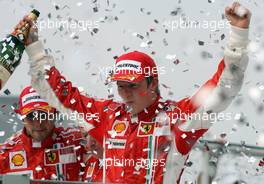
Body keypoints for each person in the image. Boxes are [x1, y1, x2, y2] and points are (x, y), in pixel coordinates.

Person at [22, 2, 251, 183]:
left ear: (153, 84)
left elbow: (224, 88)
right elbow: (59, 93)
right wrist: (33, 44)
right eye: (120, 86)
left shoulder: (177, 119)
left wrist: (238, 37)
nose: (125, 93)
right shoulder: (108, 117)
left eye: (133, 85)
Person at [0, 86, 86, 181]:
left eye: (43, 115)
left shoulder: (78, 143)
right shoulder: (4, 155)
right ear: (22, 117)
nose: (38, 123)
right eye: (31, 116)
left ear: (55, 114)